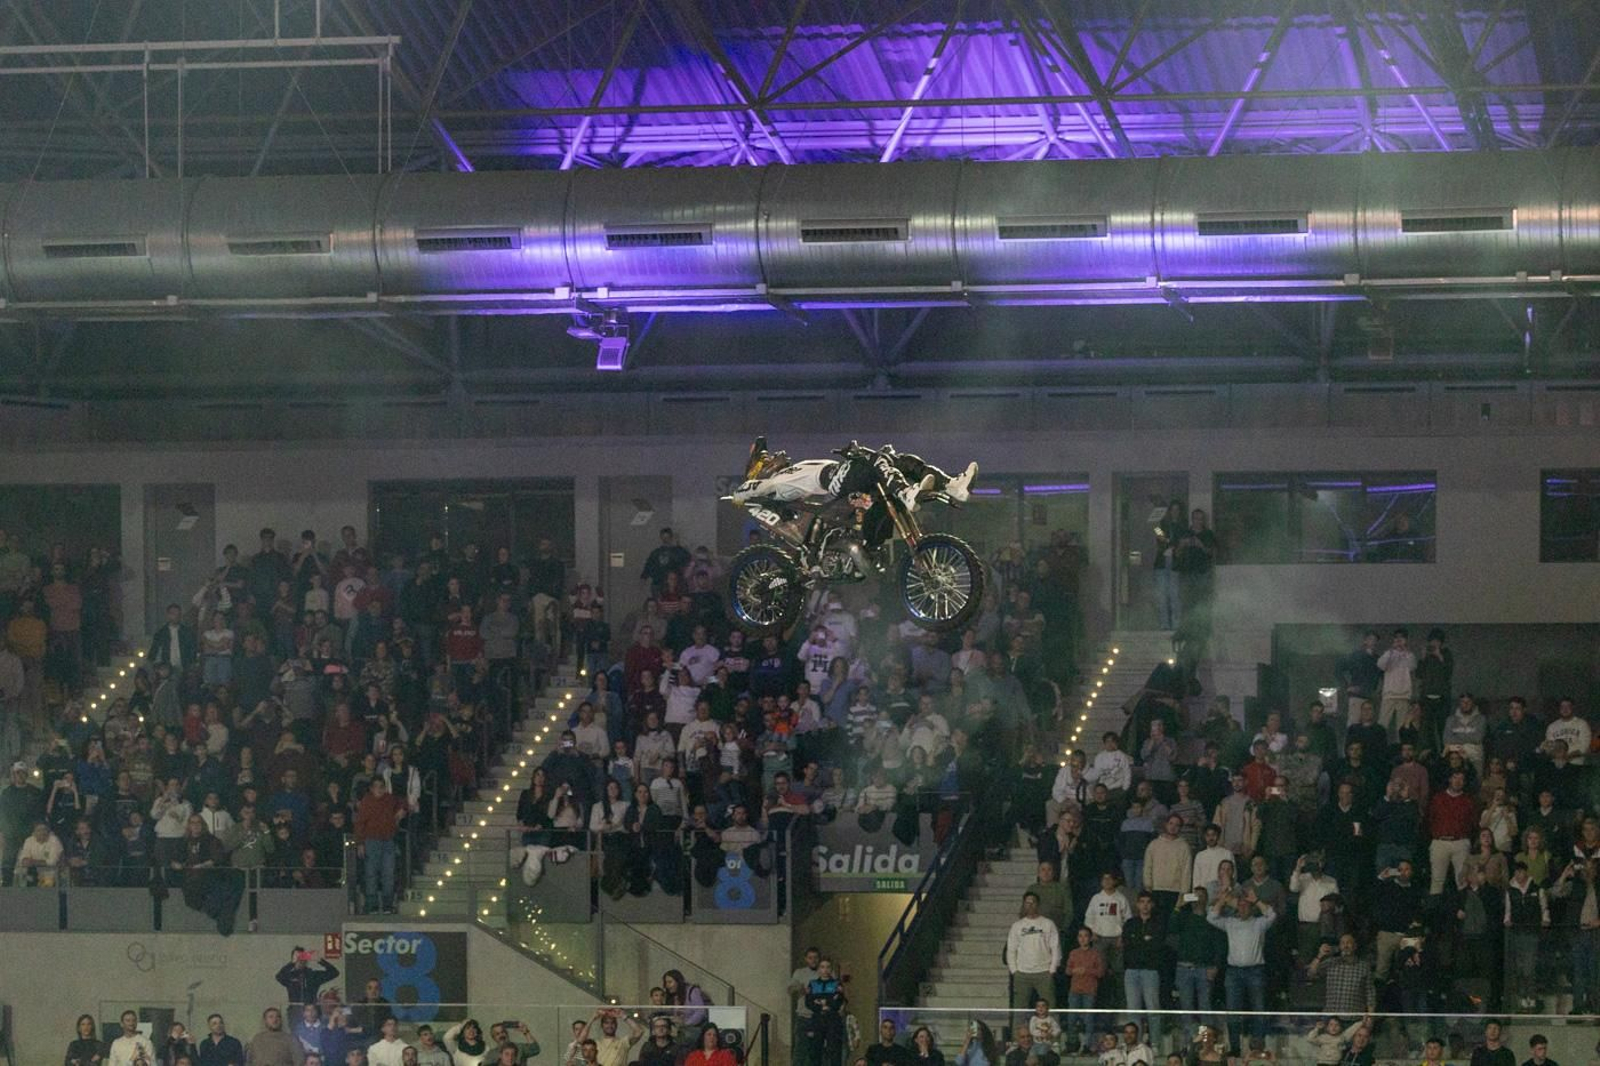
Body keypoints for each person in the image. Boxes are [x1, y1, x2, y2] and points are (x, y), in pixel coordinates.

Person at [1207, 888, 1275, 1047]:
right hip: (1234, 972)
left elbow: (1272, 915)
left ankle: (1257, 1047)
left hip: (1255, 971)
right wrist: (1222, 900)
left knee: (1259, 1011)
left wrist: (1257, 900)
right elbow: (1211, 917)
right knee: (1232, 1012)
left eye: (1246, 905)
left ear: (1251, 908)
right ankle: (1235, 1048)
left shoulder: (1259, 923)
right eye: (1240, 905)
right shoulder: (1230, 923)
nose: (1243, 908)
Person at [1007, 891, 1061, 1014]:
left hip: (1044, 972)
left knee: (1050, 1008)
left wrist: (1052, 969)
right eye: (1027, 903)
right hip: (1022, 973)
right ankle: (1017, 1033)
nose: (1030, 905)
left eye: (1033, 902)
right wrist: (1014, 970)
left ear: (1038, 904)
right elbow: (1011, 949)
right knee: (1019, 1010)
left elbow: (1055, 947)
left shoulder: (1048, 924)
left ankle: (1052, 1032)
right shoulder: (1017, 926)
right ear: (1024, 905)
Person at [804, 957, 847, 1066]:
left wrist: (824, 1003)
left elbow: (838, 1001)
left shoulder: (837, 984)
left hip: (833, 1020)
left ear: (831, 969)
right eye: (822, 967)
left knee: (834, 1051)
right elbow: (809, 1002)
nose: (825, 970)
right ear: (818, 969)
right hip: (817, 1020)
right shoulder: (812, 984)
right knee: (815, 1051)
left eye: (828, 967)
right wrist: (822, 1006)